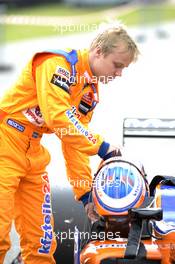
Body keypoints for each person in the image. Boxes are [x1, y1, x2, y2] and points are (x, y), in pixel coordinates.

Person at [0, 26, 139, 263]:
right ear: (98, 52)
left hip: (33, 153)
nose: (119, 74)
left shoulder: (89, 94)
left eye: (123, 69)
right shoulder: (57, 64)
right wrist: (102, 147)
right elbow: (58, 116)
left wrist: (85, 194)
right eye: (117, 65)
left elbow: (73, 142)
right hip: (5, 142)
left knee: (41, 242)